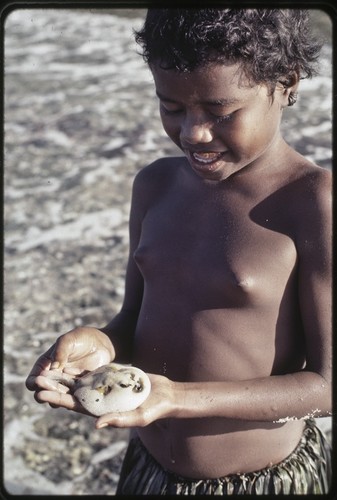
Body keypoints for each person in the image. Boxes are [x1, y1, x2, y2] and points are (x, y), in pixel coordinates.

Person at [26, 8, 332, 495]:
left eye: (220, 111)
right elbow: (134, 320)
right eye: (171, 107)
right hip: (148, 469)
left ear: (286, 82)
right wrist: (100, 344)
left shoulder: (313, 202)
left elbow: (328, 386)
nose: (193, 133)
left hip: (260, 482)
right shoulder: (154, 185)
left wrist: (177, 398)